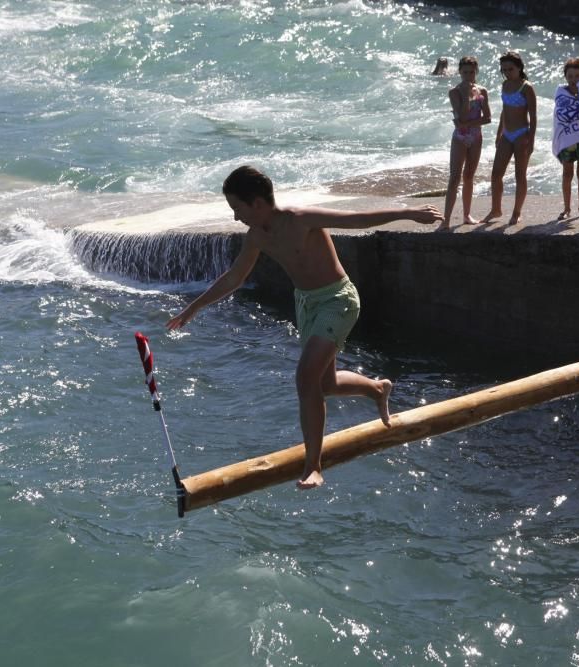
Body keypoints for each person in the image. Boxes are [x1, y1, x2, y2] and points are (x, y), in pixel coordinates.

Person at [166, 166, 442, 489]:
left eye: (237, 209)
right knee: (324, 384)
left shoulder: (300, 219)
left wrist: (409, 212)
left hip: (338, 300)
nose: (236, 218)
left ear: (257, 204)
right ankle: (377, 389)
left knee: (305, 377)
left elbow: (356, 219)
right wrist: (193, 308)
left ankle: (314, 466)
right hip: (307, 306)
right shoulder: (256, 236)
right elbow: (234, 277)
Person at [482, 52, 536, 226]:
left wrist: (532, 140)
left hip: (522, 134)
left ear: (519, 67)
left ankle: (517, 212)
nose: (507, 72)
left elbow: (534, 117)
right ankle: (496, 209)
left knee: (521, 175)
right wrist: (499, 134)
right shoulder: (505, 84)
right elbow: (504, 111)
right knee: (496, 174)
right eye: (504, 70)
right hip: (507, 134)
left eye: (510, 69)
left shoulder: (526, 87)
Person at [443, 56, 491, 228]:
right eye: (465, 72)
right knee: (454, 177)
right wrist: (465, 96)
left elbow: (487, 118)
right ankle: (446, 220)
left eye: (471, 72)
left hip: (476, 137)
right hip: (460, 138)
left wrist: (468, 124)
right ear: (460, 73)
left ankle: (466, 214)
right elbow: (461, 115)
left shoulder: (482, 91)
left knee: (469, 176)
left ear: (476, 71)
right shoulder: (454, 92)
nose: (469, 76)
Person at [552, 57, 579, 220]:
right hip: (566, 140)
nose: (573, 80)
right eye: (570, 76)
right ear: (565, 76)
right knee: (567, 173)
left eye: (577, 76)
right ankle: (567, 208)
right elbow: (559, 117)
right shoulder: (560, 92)